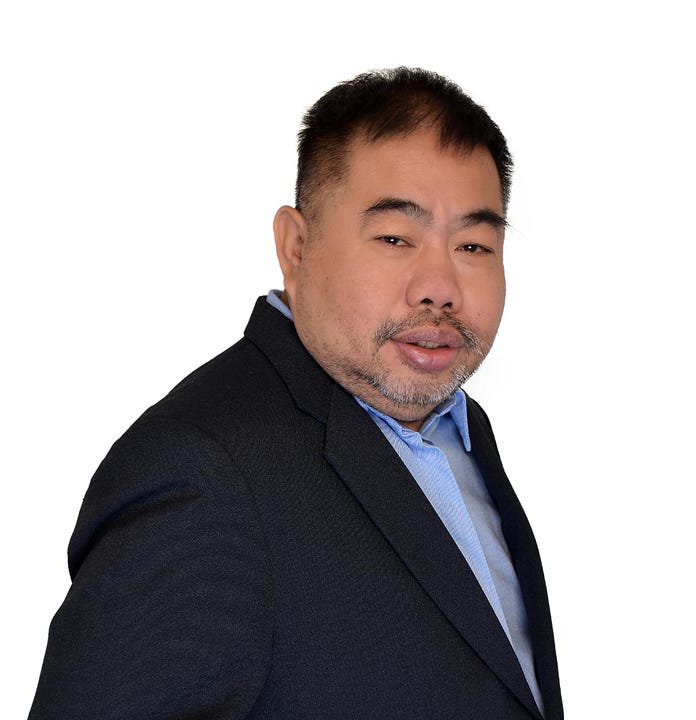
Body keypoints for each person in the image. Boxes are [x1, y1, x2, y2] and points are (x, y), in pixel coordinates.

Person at [28, 67, 563, 719]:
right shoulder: (202, 472)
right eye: (395, 238)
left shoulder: (458, 426)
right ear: (297, 246)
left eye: (474, 245)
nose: (440, 287)